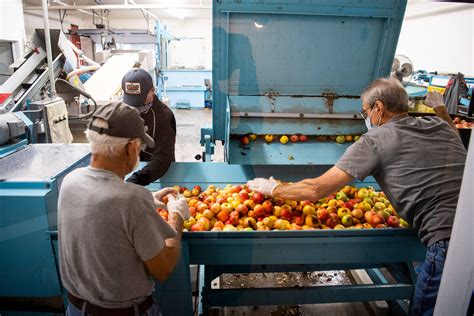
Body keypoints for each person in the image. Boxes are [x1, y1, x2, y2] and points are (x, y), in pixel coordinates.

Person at [247, 78, 467, 316]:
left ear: (379, 109)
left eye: (365, 112)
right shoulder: (441, 127)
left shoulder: (375, 141)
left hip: (449, 241)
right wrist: (441, 109)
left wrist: (274, 189)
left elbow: (316, 190)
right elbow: (455, 133)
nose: (366, 119)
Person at [58, 101, 189, 316]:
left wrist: (149, 198)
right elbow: (163, 268)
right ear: (130, 148)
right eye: (139, 148)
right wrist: (177, 217)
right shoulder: (131, 201)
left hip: (76, 308)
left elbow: (106, 214)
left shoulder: (70, 182)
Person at [122, 68, 176, 186]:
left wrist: (136, 180)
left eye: (139, 101)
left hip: (155, 173)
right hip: (127, 171)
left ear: (152, 91)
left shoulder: (164, 116)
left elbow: (163, 157)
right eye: (132, 102)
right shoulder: (121, 111)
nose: (135, 106)